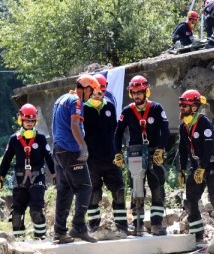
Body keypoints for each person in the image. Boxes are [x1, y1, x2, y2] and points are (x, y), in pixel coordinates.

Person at [113, 75, 169, 235]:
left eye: (140, 92)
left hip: (154, 153)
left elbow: (165, 130)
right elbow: (117, 133)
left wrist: (160, 148)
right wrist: (117, 153)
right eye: (134, 92)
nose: (137, 95)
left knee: (157, 189)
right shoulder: (127, 111)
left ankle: (157, 225)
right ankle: (137, 226)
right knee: (137, 190)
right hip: (135, 153)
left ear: (146, 92)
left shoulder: (157, 108)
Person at [51, 74, 100, 243]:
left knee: (65, 191)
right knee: (85, 187)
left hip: (58, 151)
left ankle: (59, 232)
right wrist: (84, 147)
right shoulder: (76, 101)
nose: (91, 96)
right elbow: (74, 125)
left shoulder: (61, 99)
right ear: (85, 88)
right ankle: (79, 227)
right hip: (70, 150)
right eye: (91, 92)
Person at [177, 90, 214, 242]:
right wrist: (182, 170)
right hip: (198, 166)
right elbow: (183, 150)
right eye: (181, 105)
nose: (181, 109)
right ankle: (198, 236)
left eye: (185, 106)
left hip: (213, 164)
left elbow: (209, 147)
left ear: (194, 107)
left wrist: (203, 168)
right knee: (190, 200)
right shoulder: (183, 127)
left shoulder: (203, 122)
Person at [0, 104, 55, 239]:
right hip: (19, 177)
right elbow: (6, 159)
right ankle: (19, 241)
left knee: (35, 209)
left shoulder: (40, 138)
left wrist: (54, 173)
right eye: (26, 120)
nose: (29, 123)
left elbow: (48, 157)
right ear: (21, 121)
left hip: (37, 176)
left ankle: (41, 237)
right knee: (17, 213)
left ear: (35, 121)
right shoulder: (14, 139)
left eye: (31, 121)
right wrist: (1, 176)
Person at [83, 73, 127, 233]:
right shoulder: (84, 108)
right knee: (93, 195)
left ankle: (122, 227)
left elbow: (115, 131)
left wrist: (119, 152)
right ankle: (93, 228)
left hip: (111, 158)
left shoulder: (110, 106)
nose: (98, 93)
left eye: (101, 89)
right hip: (92, 159)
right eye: (95, 90)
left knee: (119, 193)